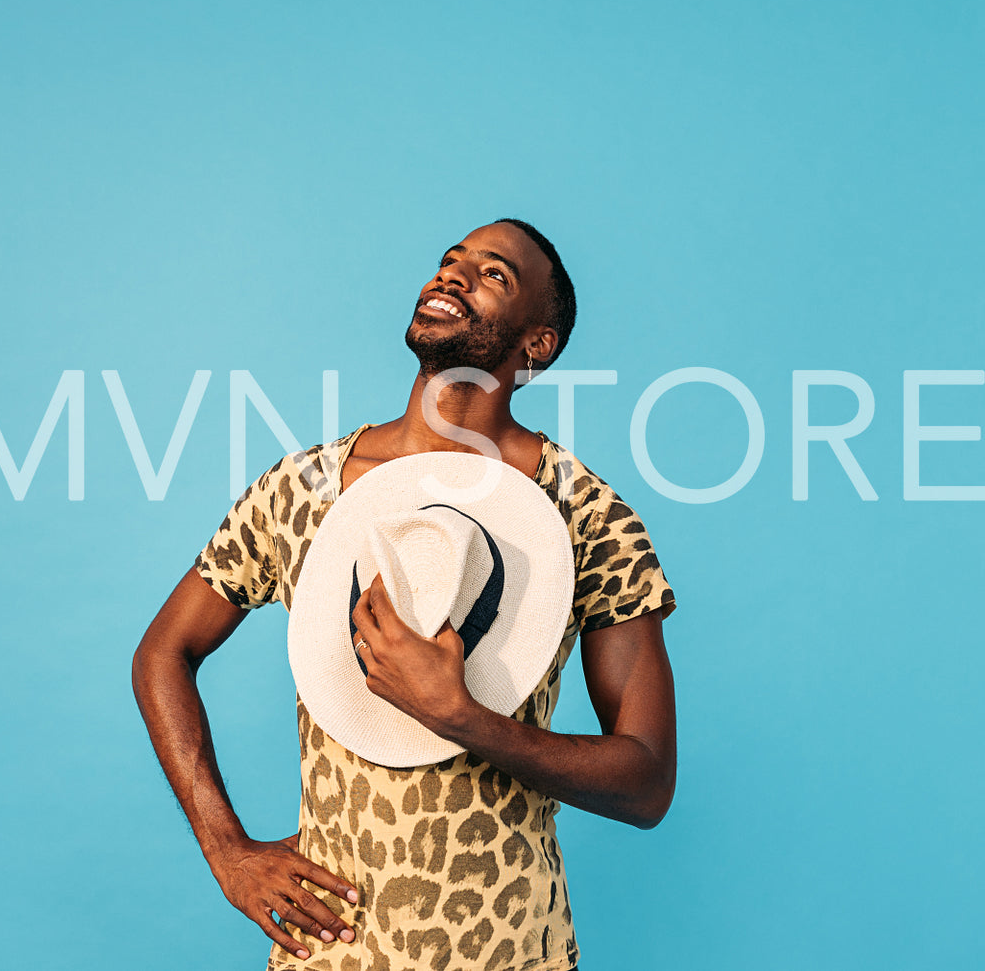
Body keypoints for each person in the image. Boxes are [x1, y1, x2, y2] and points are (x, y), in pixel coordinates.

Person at [132, 219, 678, 971]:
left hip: (509, 948)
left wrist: (458, 716)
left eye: (493, 275)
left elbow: (646, 783)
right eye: (449, 262)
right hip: (330, 952)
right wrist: (225, 849)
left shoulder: (582, 513)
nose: (451, 275)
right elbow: (165, 651)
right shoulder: (303, 490)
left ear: (537, 345)